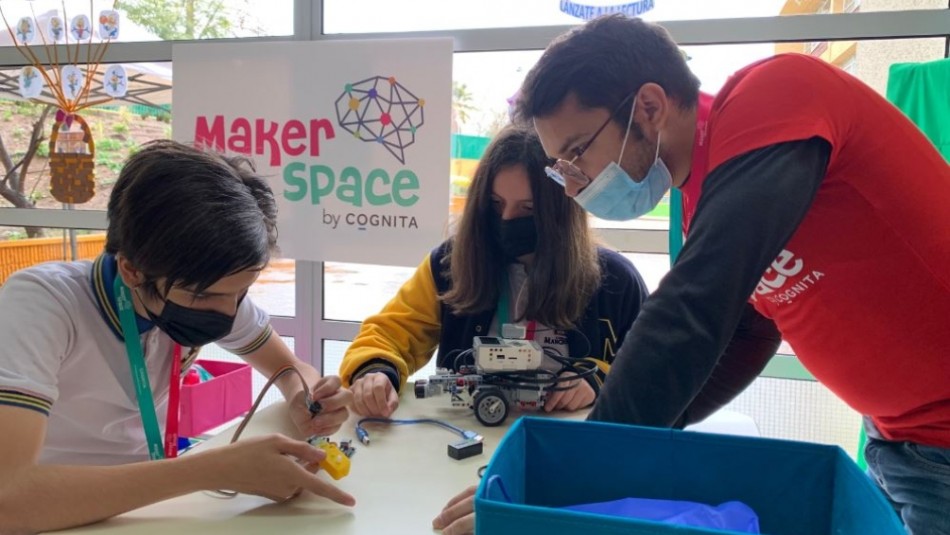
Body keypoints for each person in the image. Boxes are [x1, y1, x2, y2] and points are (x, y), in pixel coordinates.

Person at [491, 13, 947, 535]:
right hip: (901, 440)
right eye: (560, 167)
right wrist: (655, 434)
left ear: (648, 107)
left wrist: (567, 476)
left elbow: (694, 306)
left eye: (576, 153)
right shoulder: (699, 199)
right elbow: (749, 329)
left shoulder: (778, 94)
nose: (573, 186)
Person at [0, 140, 355, 533]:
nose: (228, 312)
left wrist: (304, 395)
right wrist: (213, 469)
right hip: (54, 516)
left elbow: (288, 367)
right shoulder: (43, 303)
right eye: (206, 296)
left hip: (145, 509)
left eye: (242, 292)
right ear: (132, 270)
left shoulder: (202, 286)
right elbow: (9, 500)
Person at [340, 125, 648, 418]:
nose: (507, 218)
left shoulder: (616, 281)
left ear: (562, 211)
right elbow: (389, 333)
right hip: (465, 440)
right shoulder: (450, 264)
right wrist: (375, 371)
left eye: (527, 209)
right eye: (495, 203)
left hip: (566, 447)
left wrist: (598, 380)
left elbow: (650, 370)